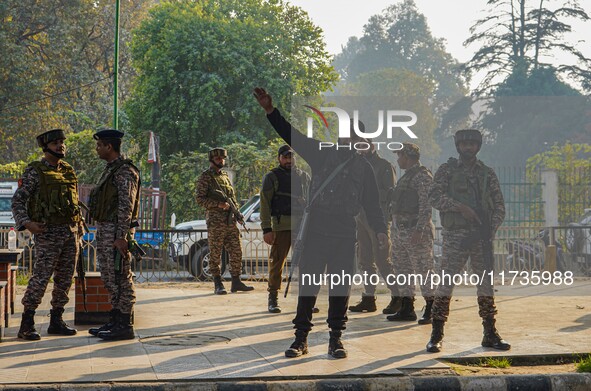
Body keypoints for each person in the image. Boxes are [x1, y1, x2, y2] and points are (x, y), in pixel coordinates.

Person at [254, 87, 388, 359]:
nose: (347, 138)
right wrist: (271, 111)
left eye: (353, 135)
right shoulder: (321, 153)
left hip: (343, 234)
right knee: (308, 288)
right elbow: (292, 135)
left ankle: (335, 339)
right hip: (316, 231)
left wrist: (382, 231)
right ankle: (300, 338)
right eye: (344, 134)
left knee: (340, 290)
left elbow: (373, 205)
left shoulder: (365, 169)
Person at [426, 129, 510, 352]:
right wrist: (460, 207)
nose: (468, 147)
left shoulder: (487, 174)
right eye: (464, 144)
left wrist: (490, 229)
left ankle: (490, 333)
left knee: (485, 286)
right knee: (445, 284)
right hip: (456, 237)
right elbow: (433, 196)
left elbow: (500, 206)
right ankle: (436, 333)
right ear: (458, 146)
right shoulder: (447, 170)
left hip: (481, 236)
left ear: (478, 146)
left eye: (472, 144)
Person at [13, 128, 82, 340]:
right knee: (40, 278)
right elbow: (18, 200)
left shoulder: (68, 170)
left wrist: (79, 225)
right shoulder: (35, 172)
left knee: (64, 279)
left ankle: (56, 320)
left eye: (62, 142)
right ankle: (27, 324)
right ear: (46, 148)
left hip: (70, 232)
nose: (61, 146)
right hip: (48, 234)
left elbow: (73, 201)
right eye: (56, 143)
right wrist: (26, 223)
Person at [87, 129, 140, 341]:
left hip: (116, 233)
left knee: (121, 278)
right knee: (110, 277)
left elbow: (126, 206)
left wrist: (121, 236)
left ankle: (125, 324)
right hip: (107, 230)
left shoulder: (125, 171)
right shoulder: (111, 169)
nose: (97, 149)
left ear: (109, 146)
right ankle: (116, 318)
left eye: (99, 145)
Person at [348, 141, 402, 315]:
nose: (361, 148)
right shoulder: (356, 164)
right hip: (361, 217)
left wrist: (388, 221)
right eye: (359, 145)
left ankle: (397, 296)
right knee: (364, 260)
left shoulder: (384, 166)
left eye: (365, 145)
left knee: (382, 261)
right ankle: (369, 298)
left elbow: (392, 194)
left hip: (378, 219)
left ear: (373, 146)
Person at [386, 143, 435, 324]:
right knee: (402, 269)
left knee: (424, 270)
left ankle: (431, 306)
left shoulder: (422, 176)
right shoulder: (406, 177)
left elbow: (426, 206)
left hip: (415, 231)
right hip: (401, 232)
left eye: (400, 155)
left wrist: (420, 229)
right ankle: (407, 307)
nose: (398, 159)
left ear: (408, 156)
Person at [196, 148, 254, 295]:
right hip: (216, 222)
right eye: (218, 159)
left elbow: (232, 199)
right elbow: (200, 199)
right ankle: (217, 283)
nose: (221, 161)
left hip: (230, 221)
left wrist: (238, 214)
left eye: (222, 159)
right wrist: (218, 205)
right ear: (211, 160)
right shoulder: (206, 177)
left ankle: (236, 281)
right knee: (215, 253)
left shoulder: (225, 176)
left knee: (236, 251)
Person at [260, 145, 310, 313]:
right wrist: (266, 229)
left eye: (291, 157)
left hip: (302, 227)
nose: (289, 160)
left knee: (305, 264)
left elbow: (312, 200)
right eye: (285, 157)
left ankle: (306, 300)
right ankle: (272, 298)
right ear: (279, 158)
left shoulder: (304, 177)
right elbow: (265, 204)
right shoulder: (272, 177)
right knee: (277, 264)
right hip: (280, 226)